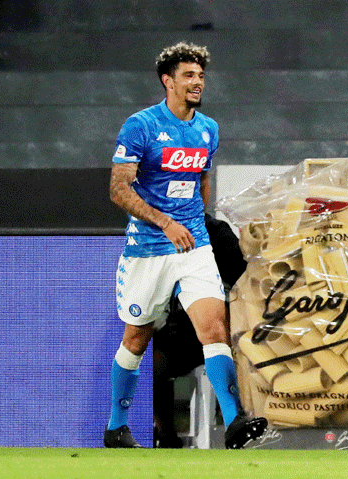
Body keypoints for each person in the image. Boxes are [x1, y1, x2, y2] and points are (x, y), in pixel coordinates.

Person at [104, 41, 267, 449]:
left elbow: (201, 180)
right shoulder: (140, 126)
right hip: (148, 249)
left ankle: (233, 422)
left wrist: (197, 220)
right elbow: (118, 189)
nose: (197, 82)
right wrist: (165, 221)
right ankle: (116, 426)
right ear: (168, 81)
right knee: (136, 339)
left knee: (214, 329)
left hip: (192, 247)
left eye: (200, 76)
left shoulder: (207, 128)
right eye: (188, 76)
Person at [153, 214, 248, 448]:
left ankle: (238, 421)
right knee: (149, 360)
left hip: (220, 325)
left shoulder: (215, 231)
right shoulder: (150, 232)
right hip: (178, 332)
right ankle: (165, 436)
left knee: (227, 341)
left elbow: (242, 278)